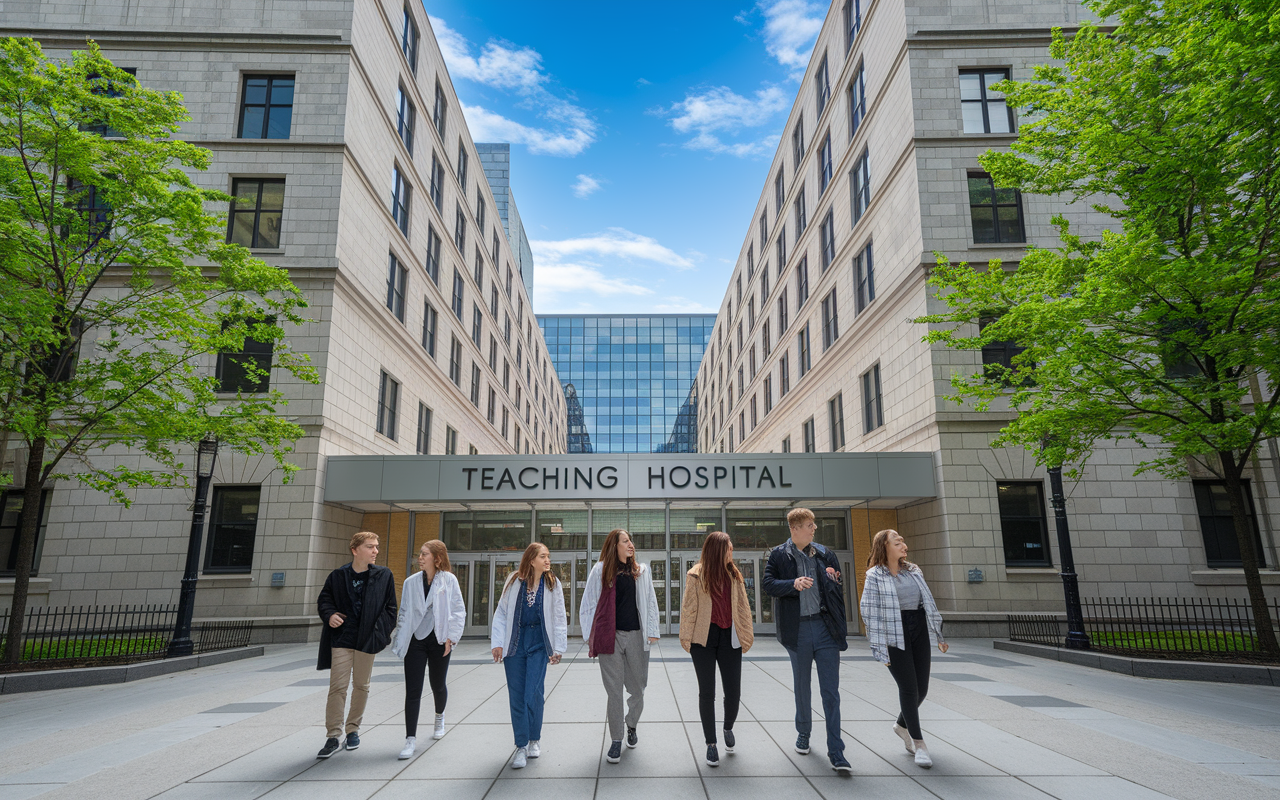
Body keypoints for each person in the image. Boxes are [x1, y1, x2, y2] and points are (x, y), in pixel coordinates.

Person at [762, 508, 852, 774]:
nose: (814, 529)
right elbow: (768, 584)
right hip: (797, 631)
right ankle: (804, 732)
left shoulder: (826, 554)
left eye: (814, 525)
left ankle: (836, 751)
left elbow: (837, 591)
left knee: (831, 692)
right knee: (802, 687)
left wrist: (840, 627)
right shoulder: (779, 554)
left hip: (825, 631)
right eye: (810, 525)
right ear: (795, 528)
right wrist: (793, 583)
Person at [859, 528, 948, 768]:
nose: (903, 544)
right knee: (909, 689)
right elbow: (869, 612)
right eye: (897, 541)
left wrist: (938, 633)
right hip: (894, 634)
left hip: (917, 627)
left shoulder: (914, 570)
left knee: (922, 689)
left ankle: (901, 725)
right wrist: (879, 648)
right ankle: (918, 744)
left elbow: (927, 601)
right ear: (884, 546)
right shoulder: (874, 575)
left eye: (903, 540)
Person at [580, 528, 662, 764]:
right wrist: (590, 635)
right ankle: (616, 739)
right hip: (610, 637)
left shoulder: (641, 571)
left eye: (631, 541)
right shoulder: (601, 570)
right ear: (614, 546)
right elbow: (589, 603)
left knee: (638, 688)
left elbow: (651, 601)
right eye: (625, 541)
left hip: (636, 636)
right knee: (614, 691)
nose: (630, 544)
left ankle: (631, 725)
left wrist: (653, 630)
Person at [315, 531, 397, 759]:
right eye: (370, 546)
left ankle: (353, 730)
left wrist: (379, 634)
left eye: (376, 546)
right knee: (338, 687)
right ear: (355, 550)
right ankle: (333, 736)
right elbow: (324, 600)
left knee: (362, 686)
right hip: (341, 639)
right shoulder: (337, 576)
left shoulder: (384, 575)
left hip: (367, 640)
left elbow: (391, 609)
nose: (375, 551)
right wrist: (330, 615)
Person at [679, 530, 754, 768]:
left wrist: (746, 635)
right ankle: (711, 744)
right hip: (703, 640)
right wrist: (686, 638)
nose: (732, 551)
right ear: (718, 550)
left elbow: (743, 607)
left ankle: (728, 727)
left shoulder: (734, 574)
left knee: (734, 692)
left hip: (729, 638)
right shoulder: (696, 575)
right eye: (729, 547)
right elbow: (689, 608)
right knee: (707, 693)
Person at [490, 542, 569, 769]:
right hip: (514, 645)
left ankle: (535, 738)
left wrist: (558, 648)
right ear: (531, 559)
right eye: (543, 556)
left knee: (532, 693)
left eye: (548, 556)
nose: (547, 560)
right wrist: (497, 643)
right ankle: (521, 745)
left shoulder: (553, 584)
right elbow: (502, 612)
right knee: (516, 696)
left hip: (538, 645)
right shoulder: (514, 580)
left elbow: (559, 618)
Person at [391, 540, 466, 759]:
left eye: (424, 554)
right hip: (415, 640)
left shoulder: (448, 580)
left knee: (437, 684)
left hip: (440, 640)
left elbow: (458, 610)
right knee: (413, 690)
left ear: (437, 557)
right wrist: (400, 639)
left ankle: (439, 716)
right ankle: (410, 739)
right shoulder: (410, 582)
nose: (420, 558)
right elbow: (404, 611)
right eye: (420, 554)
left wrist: (452, 637)